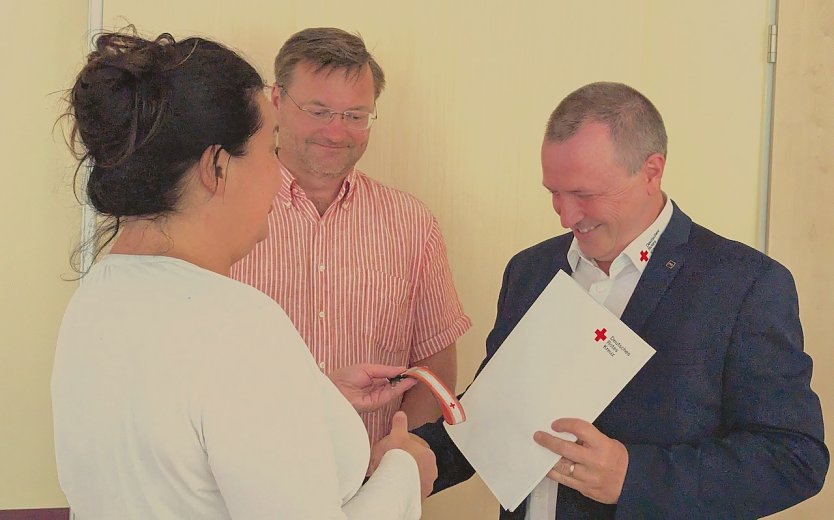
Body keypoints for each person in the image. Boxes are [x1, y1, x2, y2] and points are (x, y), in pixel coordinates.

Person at [52, 30, 436, 519]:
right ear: (217, 166)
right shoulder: (239, 324)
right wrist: (402, 471)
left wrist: (309, 398)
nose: (278, 175)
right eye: (269, 149)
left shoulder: (95, 298)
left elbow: (187, 440)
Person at [415, 81, 829, 519]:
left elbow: (794, 458)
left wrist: (634, 477)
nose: (565, 215)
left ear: (652, 170)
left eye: (585, 194)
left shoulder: (746, 284)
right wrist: (414, 456)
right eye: (553, 192)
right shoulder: (529, 271)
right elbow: (497, 414)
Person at [231, 27, 471, 443]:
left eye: (355, 116)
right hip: (244, 486)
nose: (337, 132)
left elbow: (433, 369)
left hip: (372, 486)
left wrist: (393, 465)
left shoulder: (412, 224)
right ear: (276, 100)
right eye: (318, 111)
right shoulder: (222, 214)